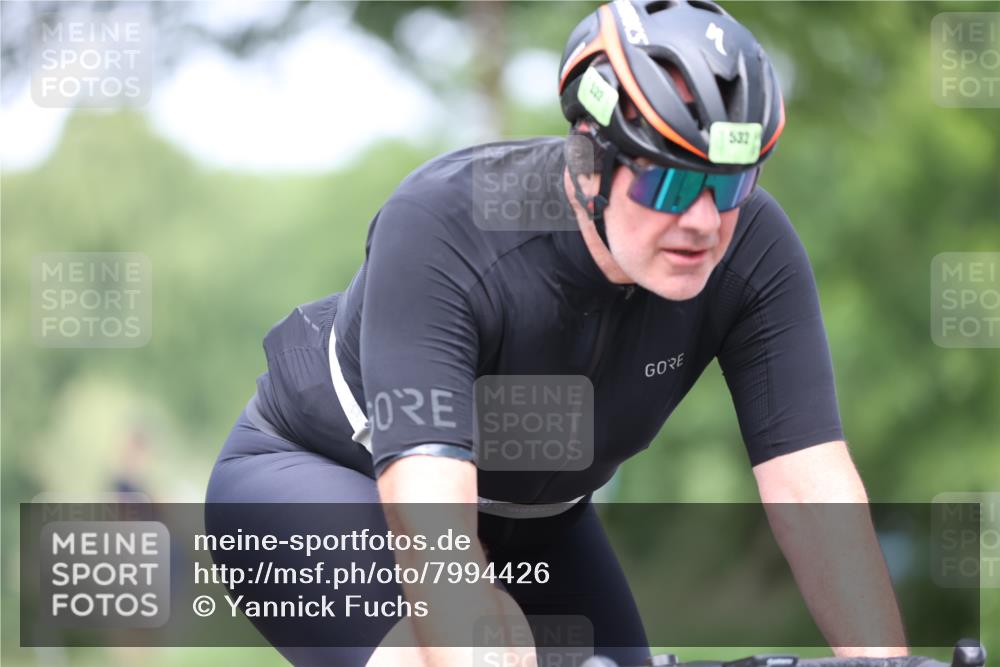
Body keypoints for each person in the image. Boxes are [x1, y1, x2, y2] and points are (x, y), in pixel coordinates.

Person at [206, 1, 909, 665]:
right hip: (322, 480)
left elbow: (808, 480)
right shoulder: (444, 226)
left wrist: (883, 657)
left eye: (729, 184)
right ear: (588, 157)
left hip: (542, 517)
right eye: (668, 184)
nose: (701, 220)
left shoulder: (753, 248)